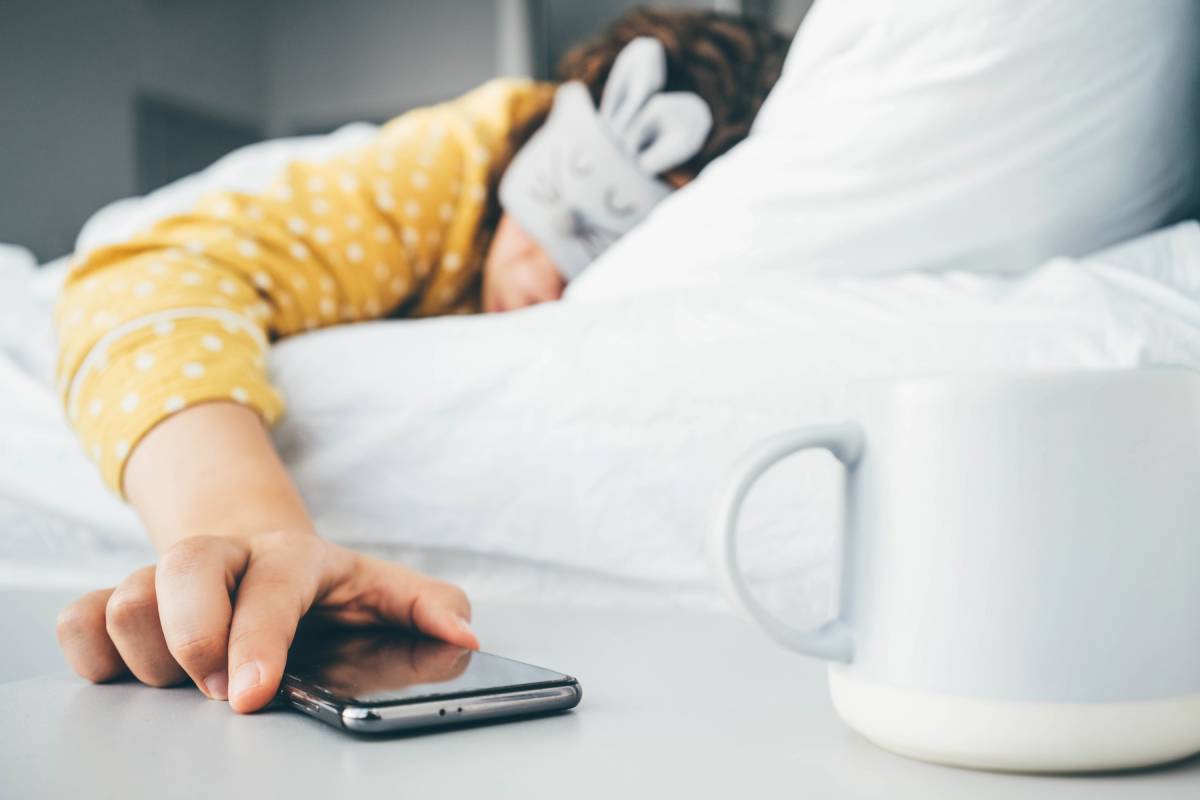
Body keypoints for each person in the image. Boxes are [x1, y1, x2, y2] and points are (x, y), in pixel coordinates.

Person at [53, 8, 789, 713]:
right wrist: (252, 531)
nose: (550, 288)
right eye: (570, 223)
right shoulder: (454, 166)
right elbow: (147, 274)